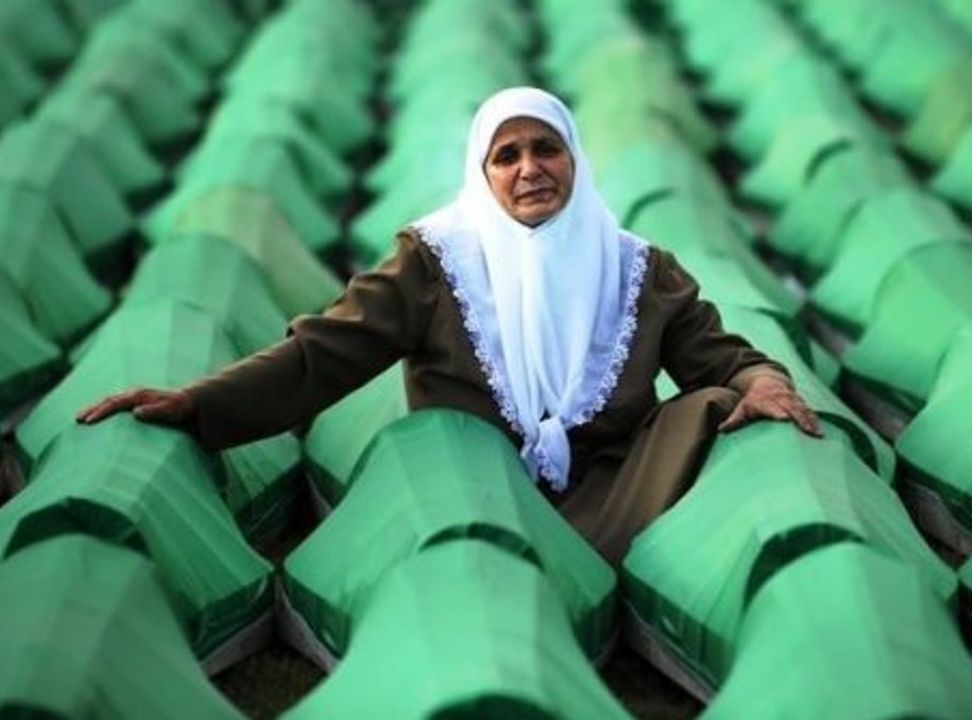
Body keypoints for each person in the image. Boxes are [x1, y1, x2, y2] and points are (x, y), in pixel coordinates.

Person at [76, 87, 821, 564]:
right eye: (507, 155)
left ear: (575, 159)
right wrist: (199, 404)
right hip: (476, 482)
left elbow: (722, 358)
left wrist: (763, 381)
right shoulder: (436, 261)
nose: (529, 169)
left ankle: (622, 555)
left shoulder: (637, 267)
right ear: (483, 173)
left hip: (615, 480)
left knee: (720, 407)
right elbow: (323, 353)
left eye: (546, 148)